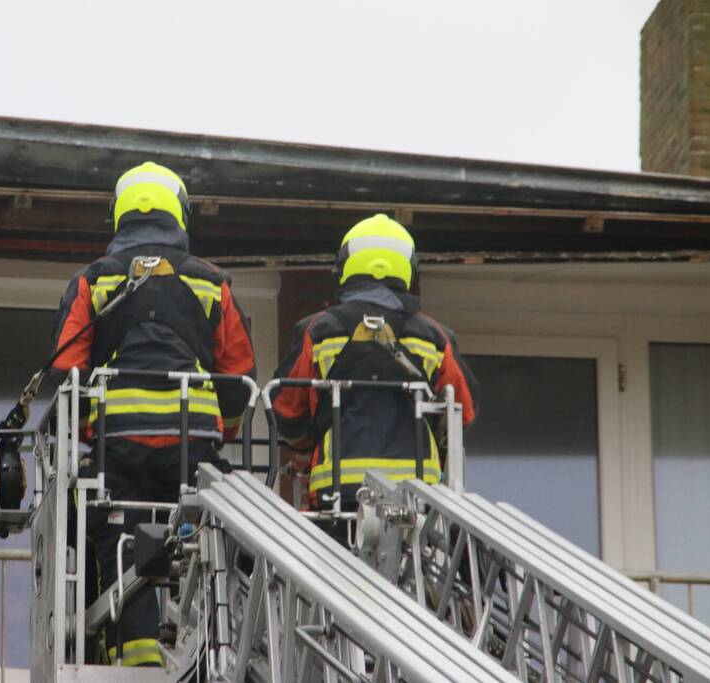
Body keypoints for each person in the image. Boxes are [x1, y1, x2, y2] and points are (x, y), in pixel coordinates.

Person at [47, 161, 257, 667]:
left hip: (120, 448)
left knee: (119, 542)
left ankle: (138, 658)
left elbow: (65, 370)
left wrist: (88, 428)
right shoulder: (212, 282)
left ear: (119, 215)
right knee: (208, 544)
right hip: (193, 448)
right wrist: (223, 432)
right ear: (179, 213)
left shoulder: (93, 280)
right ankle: (213, 651)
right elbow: (238, 377)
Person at [272, 214, 478, 541]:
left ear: (345, 266)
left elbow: (285, 411)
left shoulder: (318, 331)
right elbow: (463, 412)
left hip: (338, 493)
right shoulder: (435, 337)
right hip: (418, 499)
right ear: (407, 268)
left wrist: (309, 439)